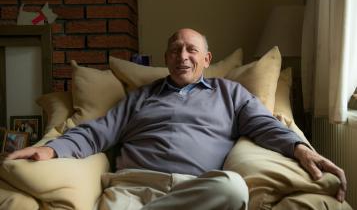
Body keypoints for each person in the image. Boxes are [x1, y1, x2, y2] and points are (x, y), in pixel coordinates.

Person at [3, 28, 347, 210]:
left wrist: (301, 149)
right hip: (133, 187)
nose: (182, 56)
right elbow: (95, 133)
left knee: (233, 188)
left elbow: (265, 125)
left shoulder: (231, 94)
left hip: (198, 188)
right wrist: (51, 150)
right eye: (174, 50)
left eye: (191, 50)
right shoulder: (140, 97)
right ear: (167, 57)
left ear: (206, 58)